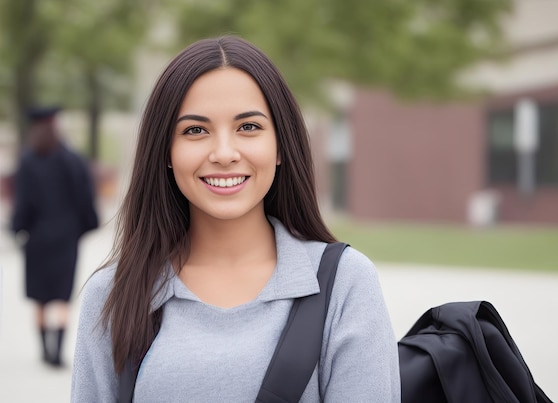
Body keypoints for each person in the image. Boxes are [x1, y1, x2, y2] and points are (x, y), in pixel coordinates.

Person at [71, 36, 400, 402]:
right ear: (166, 152)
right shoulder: (115, 293)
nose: (224, 153)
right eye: (195, 130)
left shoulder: (345, 284)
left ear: (280, 147)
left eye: (248, 127)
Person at [11, 106, 99, 367]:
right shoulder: (73, 160)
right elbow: (86, 200)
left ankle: (43, 351)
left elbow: (22, 203)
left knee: (40, 296)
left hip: (36, 238)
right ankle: (57, 353)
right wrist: (82, 228)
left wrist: (18, 229)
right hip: (66, 237)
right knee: (62, 296)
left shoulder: (27, 161)